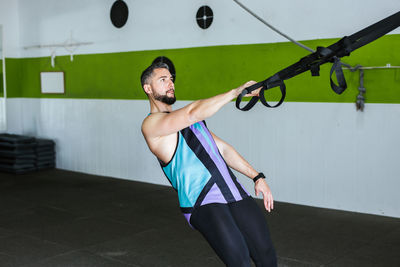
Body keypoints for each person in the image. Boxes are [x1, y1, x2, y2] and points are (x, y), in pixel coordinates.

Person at [141, 62, 277, 267]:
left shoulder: (193, 123)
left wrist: (257, 177)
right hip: (202, 200)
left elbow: (223, 150)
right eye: (163, 79)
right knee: (239, 261)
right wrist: (237, 91)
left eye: (171, 79)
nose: (170, 83)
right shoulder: (151, 125)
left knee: (266, 255)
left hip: (233, 192)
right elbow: (191, 112)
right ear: (148, 88)